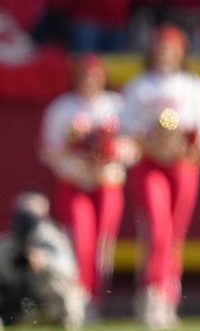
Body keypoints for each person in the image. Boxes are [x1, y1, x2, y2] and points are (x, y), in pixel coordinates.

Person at [122, 24, 200, 329]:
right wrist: (150, 140)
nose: (164, 52)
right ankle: (152, 293)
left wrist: (193, 146)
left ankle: (168, 294)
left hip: (183, 164)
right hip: (150, 163)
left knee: (174, 234)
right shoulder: (140, 86)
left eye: (170, 46)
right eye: (160, 46)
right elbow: (125, 129)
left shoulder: (193, 86)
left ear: (181, 51)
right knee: (157, 228)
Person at [38, 53, 135, 319]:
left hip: (107, 182)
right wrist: (75, 152)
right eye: (84, 75)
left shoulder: (117, 106)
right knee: (79, 240)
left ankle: (94, 298)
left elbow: (133, 146)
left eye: (94, 75)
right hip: (75, 182)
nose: (89, 81)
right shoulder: (63, 108)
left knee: (103, 244)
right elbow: (48, 150)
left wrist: (112, 151)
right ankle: (76, 297)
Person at [0, 191, 86, 330]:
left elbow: (71, 270)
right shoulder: (8, 245)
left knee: (70, 297)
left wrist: (46, 262)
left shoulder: (53, 238)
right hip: (21, 303)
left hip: (51, 301)